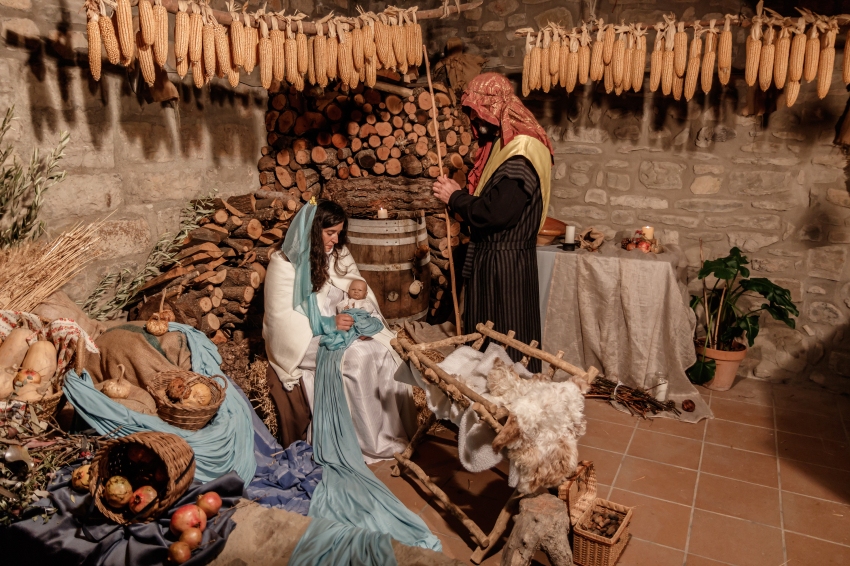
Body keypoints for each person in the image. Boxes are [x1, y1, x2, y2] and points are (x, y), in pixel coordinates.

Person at [262, 199, 418, 462]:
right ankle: (370, 443)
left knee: (384, 349)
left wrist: (361, 317)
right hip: (308, 338)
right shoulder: (283, 263)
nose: (335, 240)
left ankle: (391, 433)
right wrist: (327, 324)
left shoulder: (338, 254)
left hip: (347, 328)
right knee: (357, 359)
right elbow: (282, 322)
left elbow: (359, 289)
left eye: (338, 233)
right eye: (329, 233)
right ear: (313, 229)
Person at [431, 72, 553, 372]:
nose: (474, 120)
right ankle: (484, 398)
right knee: (487, 340)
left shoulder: (521, 153)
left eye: (477, 112)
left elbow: (496, 212)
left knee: (505, 337)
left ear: (494, 107)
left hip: (505, 268)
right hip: (496, 260)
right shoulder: (503, 144)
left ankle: (509, 404)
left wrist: (455, 197)